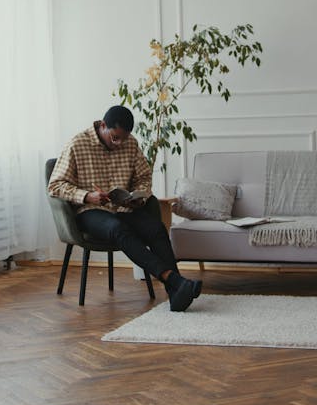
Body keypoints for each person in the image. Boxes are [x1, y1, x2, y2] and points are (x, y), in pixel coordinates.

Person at [48, 105, 202, 312]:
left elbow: (144, 177)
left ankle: (176, 294)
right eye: (114, 138)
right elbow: (55, 186)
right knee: (117, 229)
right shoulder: (77, 145)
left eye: (123, 138)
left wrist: (136, 196)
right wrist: (87, 196)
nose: (119, 143)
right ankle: (175, 280)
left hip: (124, 209)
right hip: (90, 212)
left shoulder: (130, 143)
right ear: (103, 126)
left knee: (155, 228)